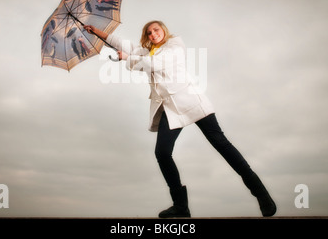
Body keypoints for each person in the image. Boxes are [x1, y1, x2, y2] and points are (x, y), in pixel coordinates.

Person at [83, 21, 277, 218]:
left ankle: (261, 194)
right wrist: (96, 31)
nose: (153, 34)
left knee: (221, 144)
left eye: (156, 30)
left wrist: (128, 59)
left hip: (192, 103)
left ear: (164, 30)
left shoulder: (175, 45)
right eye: (149, 33)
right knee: (162, 153)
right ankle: (181, 206)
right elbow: (125, 45)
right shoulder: (147, 51)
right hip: (170, 108)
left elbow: (155, 63)